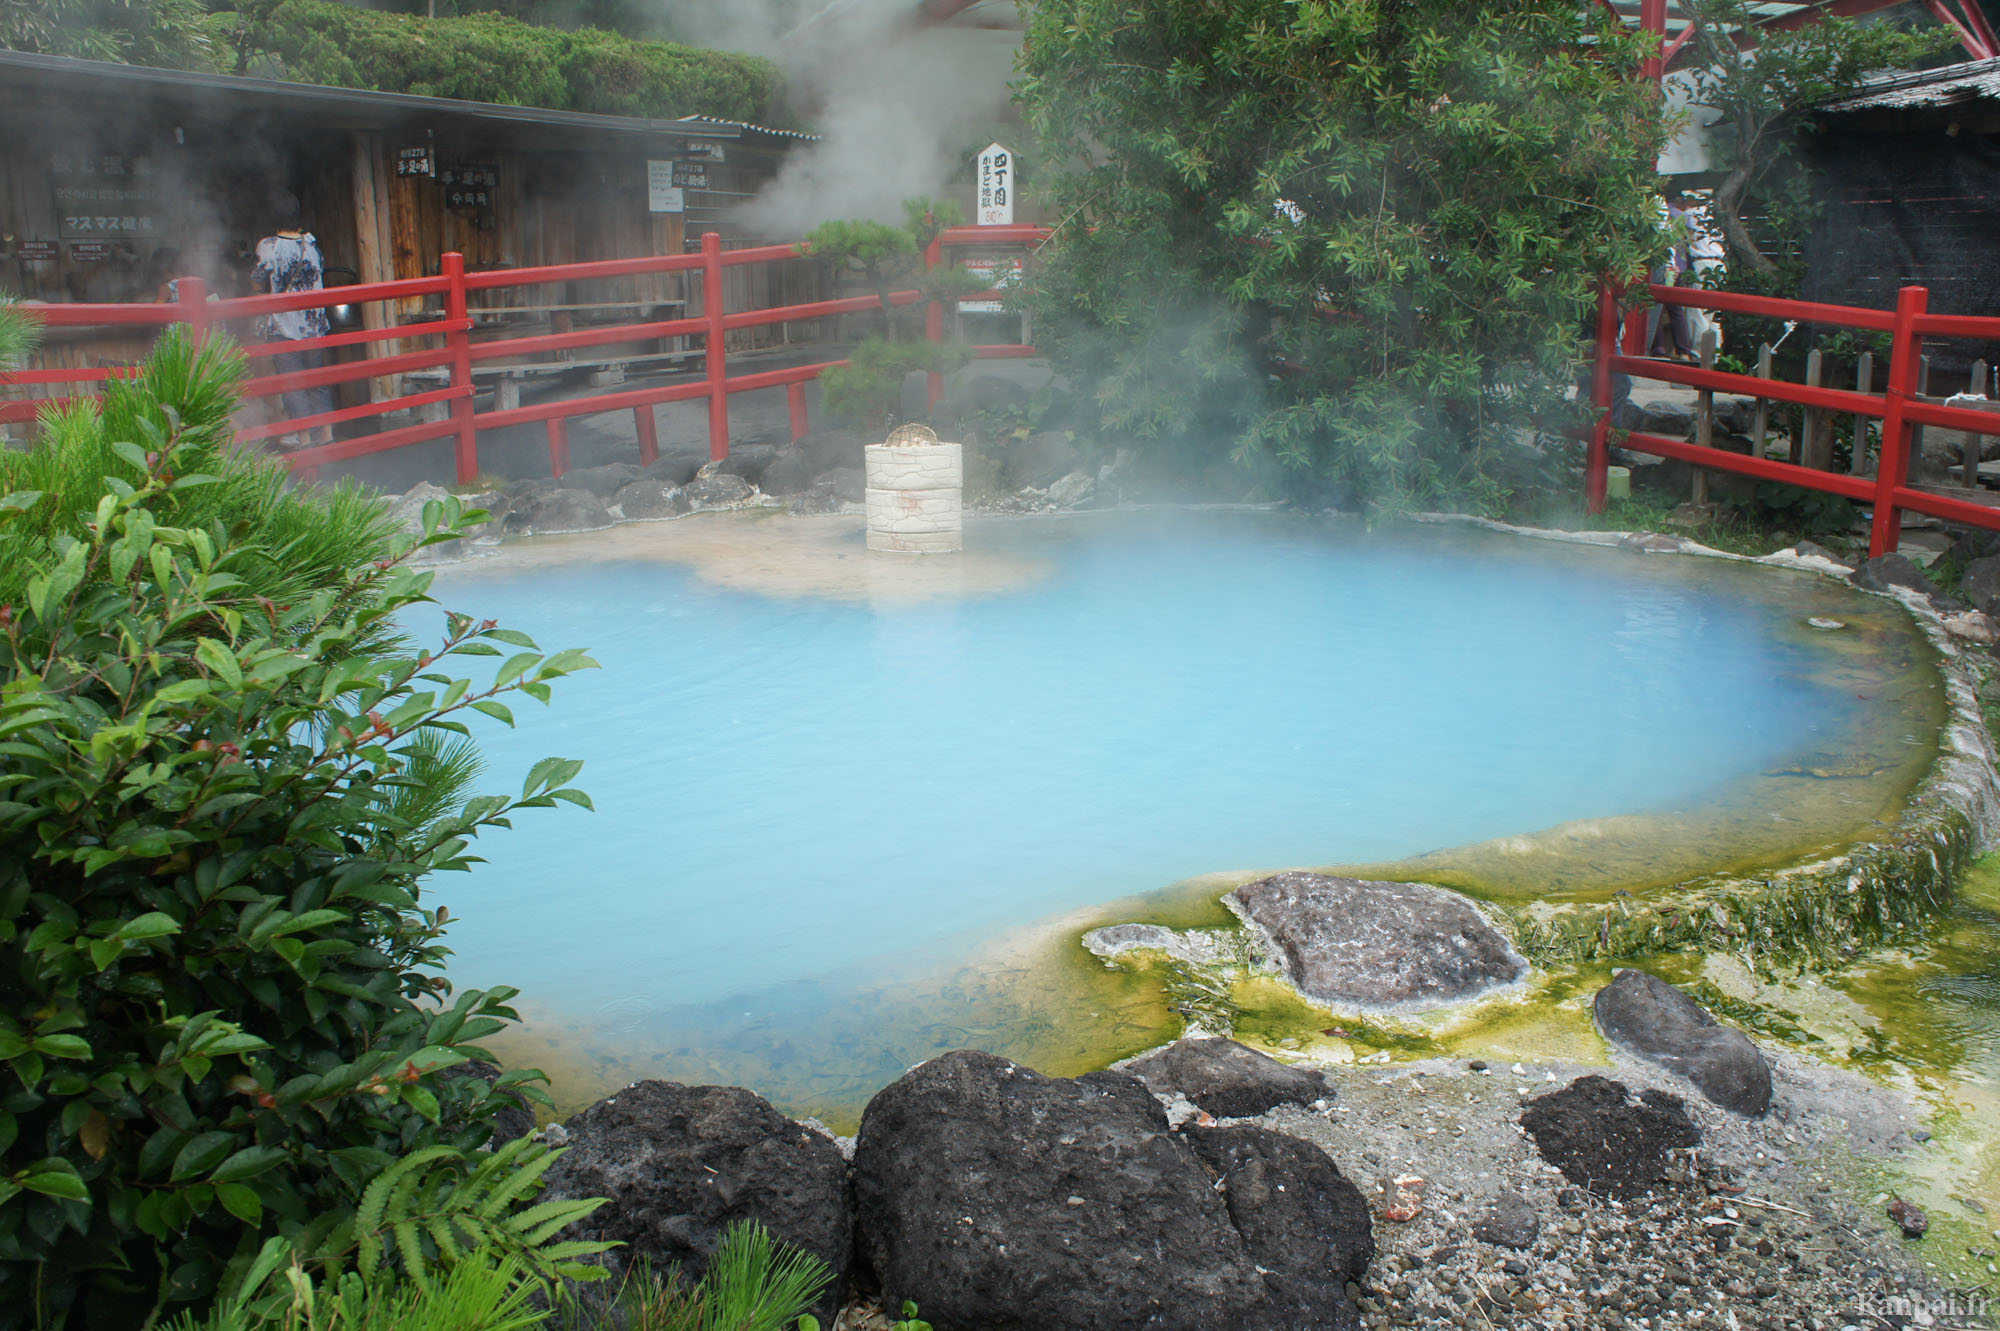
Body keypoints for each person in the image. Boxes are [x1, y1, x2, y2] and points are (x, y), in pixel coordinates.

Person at [252, 193, 334, 445]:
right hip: (315, 324)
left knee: (293, 382)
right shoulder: (311, 244)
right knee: (317, 380)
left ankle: (304, 437)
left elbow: (258, 283)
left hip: (285, 325)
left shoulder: (269, 246)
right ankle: (327, 434)